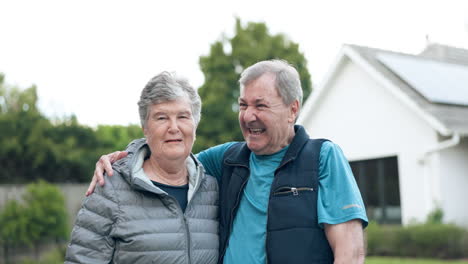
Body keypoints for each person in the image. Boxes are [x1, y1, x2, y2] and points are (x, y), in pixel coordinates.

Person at [88, 60, 368, 264]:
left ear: (292, 109)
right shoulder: (228, 159)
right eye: (243, 105)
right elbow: (172, 155)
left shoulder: (322, 158)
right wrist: (126, 157)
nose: (248, 116)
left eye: (260, 105)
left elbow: (350, 253)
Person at [65, 72, 219, 264]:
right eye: (161, 118)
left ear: (195, 125)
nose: (173, 127)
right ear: (145, 128)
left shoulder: (212, 189)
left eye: (183, 116)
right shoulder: (111, 189)